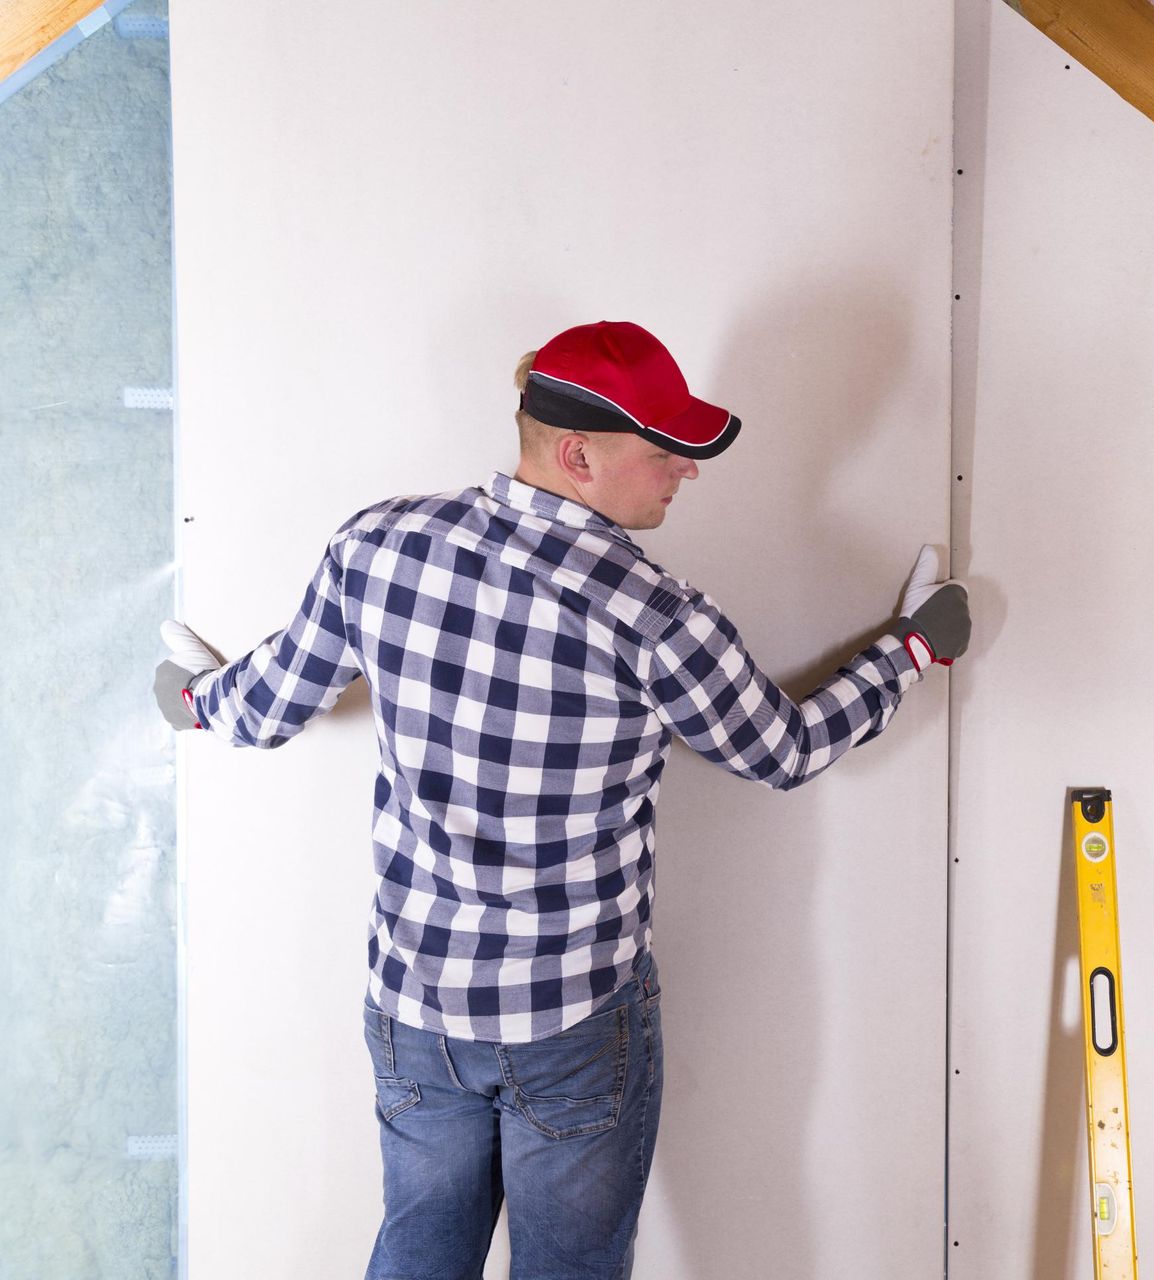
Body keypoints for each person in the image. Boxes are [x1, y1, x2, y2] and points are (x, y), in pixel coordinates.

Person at [151, 320, 970, 1279]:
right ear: (579, 454)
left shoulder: (377, 547)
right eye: (665, 450)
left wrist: (197, 702)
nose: (686, 472)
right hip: (572, 1025)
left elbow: (272, 700)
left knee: (419, 1252)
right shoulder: (657, 616)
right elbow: (782, 752)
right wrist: (915, 649)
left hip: (417, 1009)